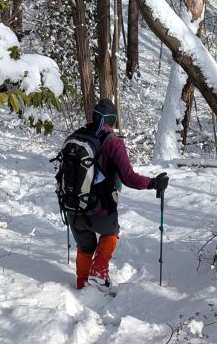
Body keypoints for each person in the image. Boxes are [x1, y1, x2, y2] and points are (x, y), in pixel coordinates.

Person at [68, 98, 168, 290]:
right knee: (111, 233)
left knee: (85, 247)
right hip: (101, 208)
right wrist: (153, 183)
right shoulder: (113, 142)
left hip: (74, 208)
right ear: (112, 121)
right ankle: (99, 269)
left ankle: (82, 286)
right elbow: (129, 178)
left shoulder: (76, 137)